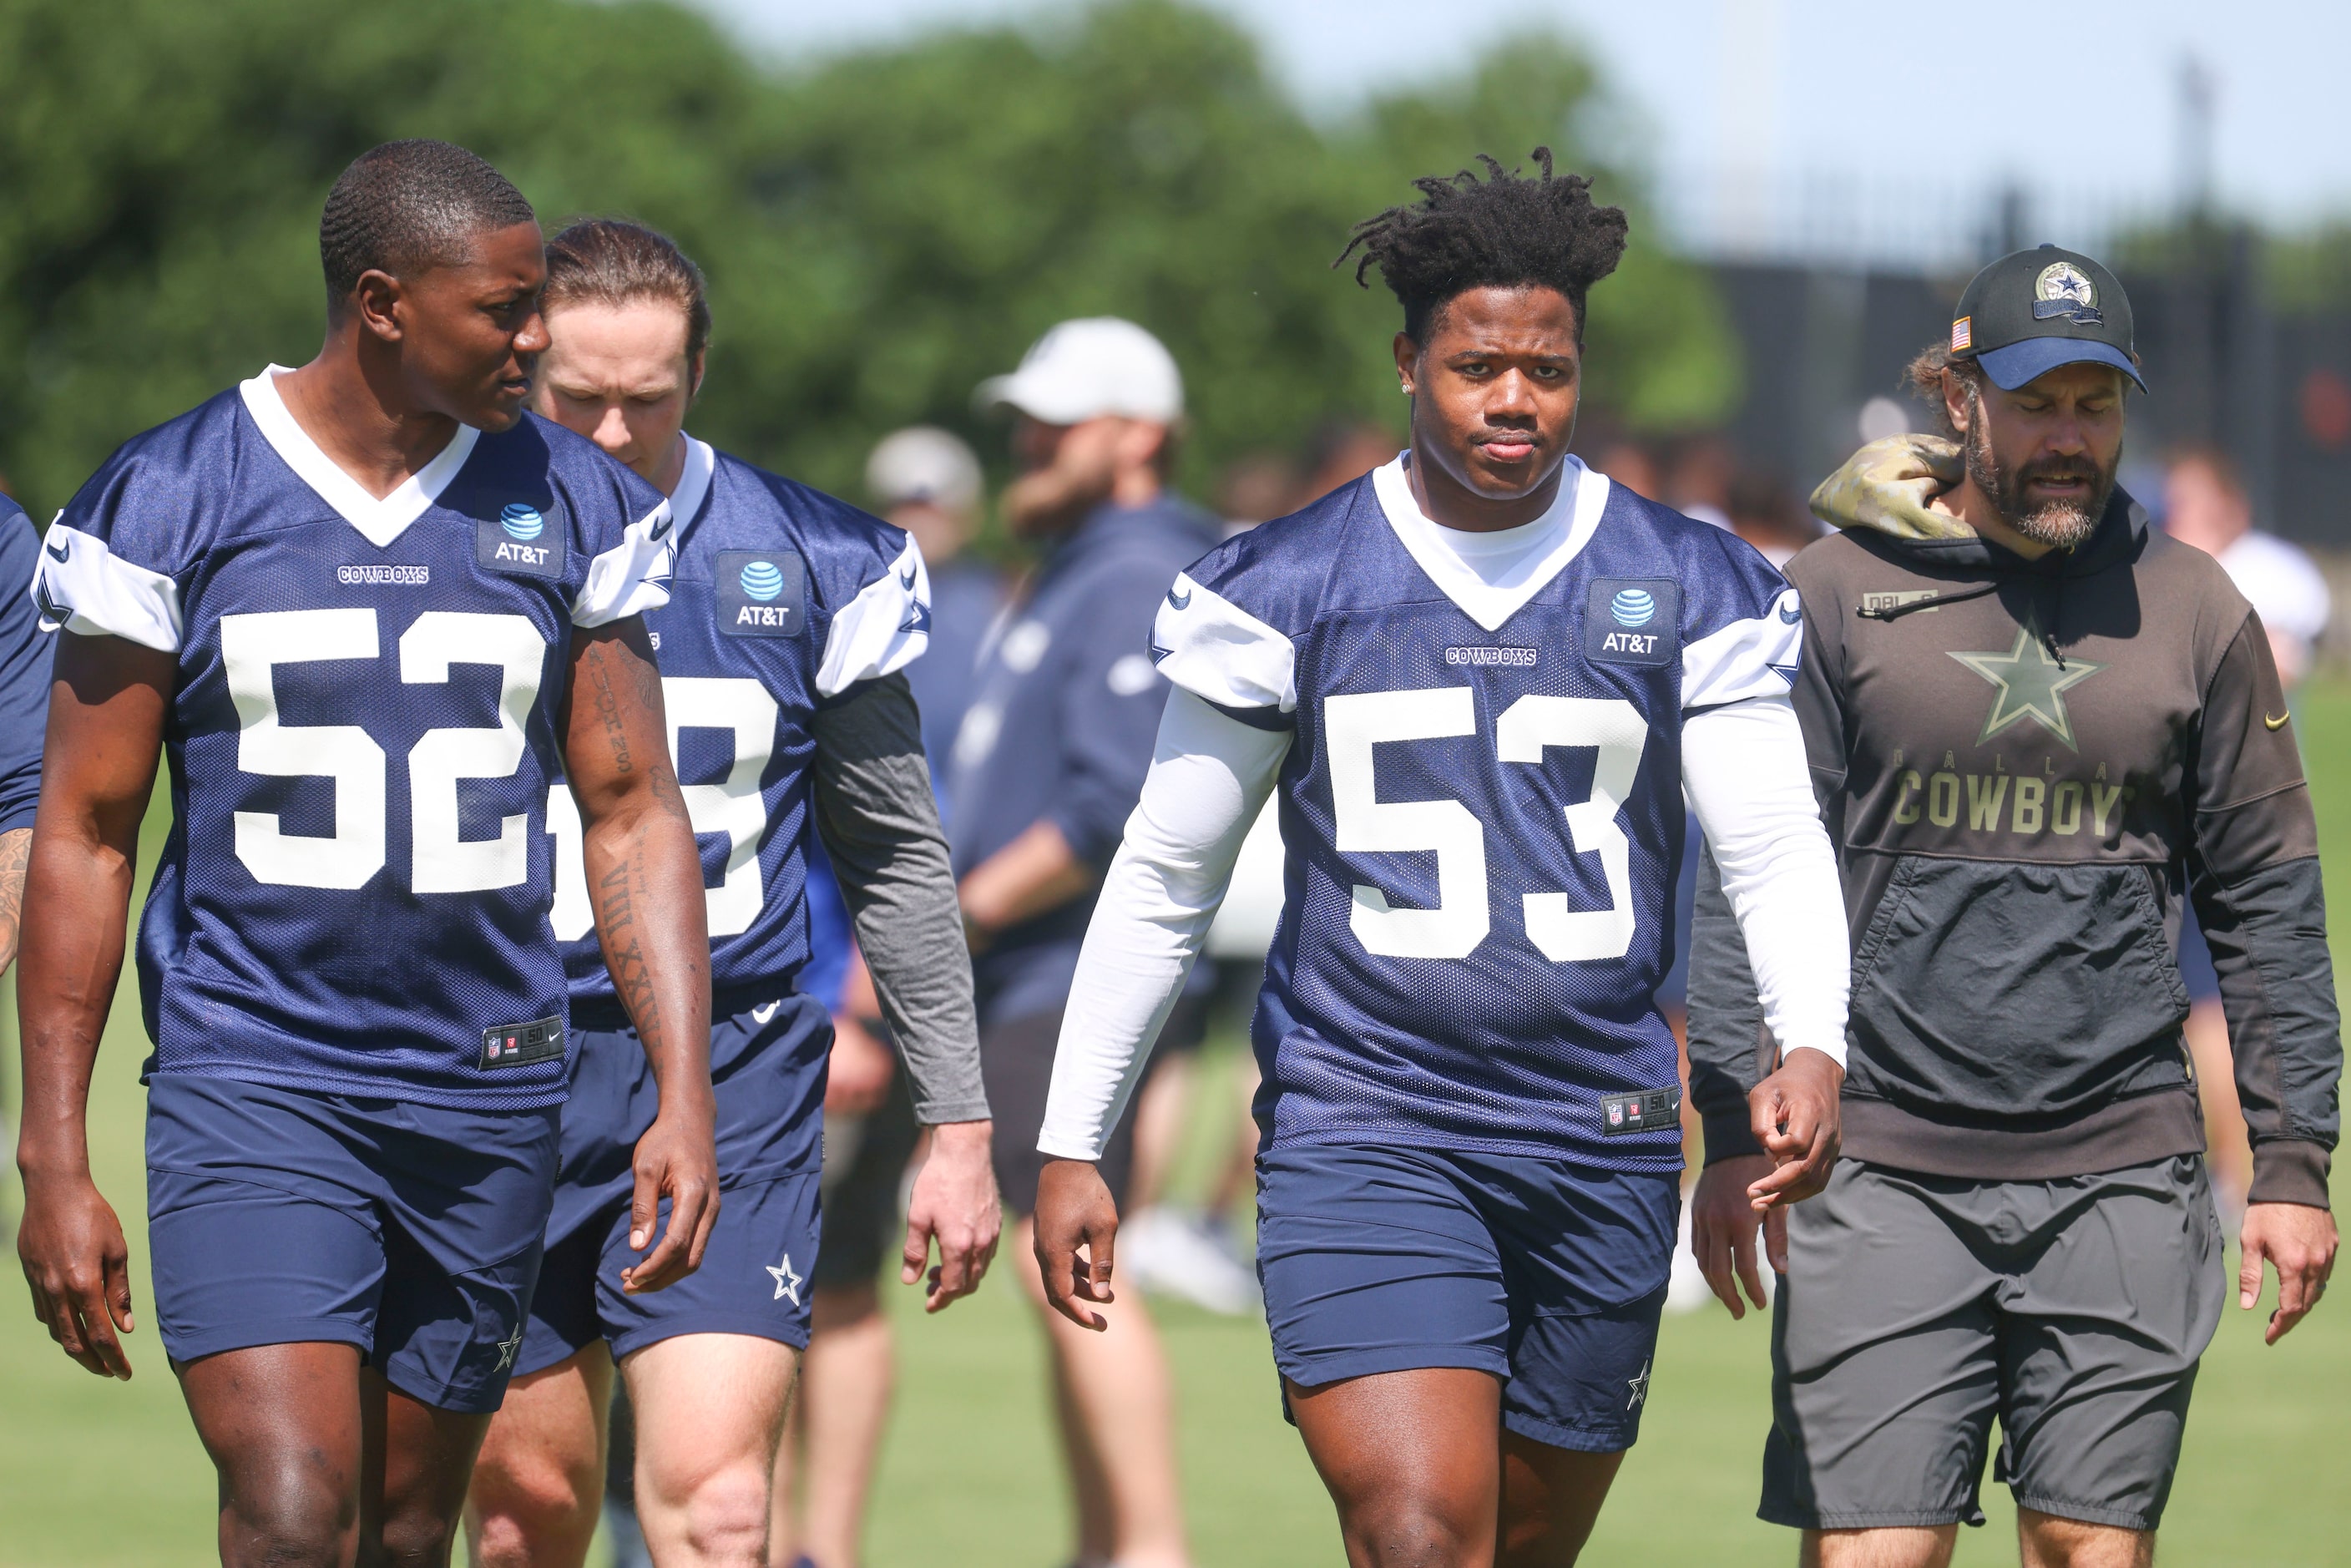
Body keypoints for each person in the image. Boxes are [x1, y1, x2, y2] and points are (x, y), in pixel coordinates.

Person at [1034, 149, 1852, 1565]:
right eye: (1480, 367)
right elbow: (1164, 876)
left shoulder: (1687, 579)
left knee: (1514, 1547)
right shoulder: (1288, 583)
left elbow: (1769, 844)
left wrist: (1810, 1043)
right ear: (1410, 361)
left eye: (1547, 367)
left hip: (1597, 1134)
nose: (1516, 400)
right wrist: (1072, 1136)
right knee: (1417, 1529)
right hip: (1370, 1121)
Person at [14, 141, 719, 1566]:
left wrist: (681, 1091)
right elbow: (84, 832)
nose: (541, 338)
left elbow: (633, 809)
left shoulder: (573, 503)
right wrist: (51, 1150)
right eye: (507, 309)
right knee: (289, 1505)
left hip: (488, 1088)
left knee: (400, 1531)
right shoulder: (173, 494)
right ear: (384, 302)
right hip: (255, 1074)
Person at [1687, 245, 2343, 1568]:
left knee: (2087, 1552)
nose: (2068, 438)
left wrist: (2289, 1162)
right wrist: (1723, 1116)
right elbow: (1747, 873)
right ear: (1961, 393)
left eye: (2097, 406)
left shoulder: (2199, 609)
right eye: (2039, 401)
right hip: (1876, 1161)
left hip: (2123, 1168)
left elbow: (2269, 899)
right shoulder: (1828, 590)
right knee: (1877, 1554)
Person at [463, 220, 999, 1568]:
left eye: (647, 395)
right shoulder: (451, 536)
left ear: (702, 371)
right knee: (526, 1516)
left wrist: (958, 1115)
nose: (609, 427)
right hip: (498, 1057)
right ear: (522, 363)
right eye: (575, 394)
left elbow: (893, 851)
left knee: (717, 1508)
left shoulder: (815, 557)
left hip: (738, 1056)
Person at [950, 316, 1220, 1568]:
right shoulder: (1083, 562)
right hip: (1037, 974)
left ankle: (1145, 1550)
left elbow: (1111, 806)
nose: (1029, 440)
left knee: (1059, 1256)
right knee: (1052, 1268)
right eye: (1028, 419)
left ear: (1137, 436)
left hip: (1063, 974)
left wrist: (956, 913)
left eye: (1059, 422)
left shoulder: (1131, 569)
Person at [767, 425, 1008, 1568]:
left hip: (832, 1002)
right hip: (770, 1007)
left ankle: (808, 1547)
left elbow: (914, 844)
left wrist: (864, 1009)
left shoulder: (948, 629)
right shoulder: (859, 586)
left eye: (934, 497)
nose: (917, 513)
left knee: (828, 1287)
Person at [2161, 444, 2335, 1215]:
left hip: (2217, 824)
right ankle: (2225, 1177)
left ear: (2230, 507)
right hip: (2214, 818)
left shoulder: (2240, 581)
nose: (2179, 517)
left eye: (2192, 502)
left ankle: (2230, 1180)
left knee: (2209, 1010)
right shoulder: (2177, 581)